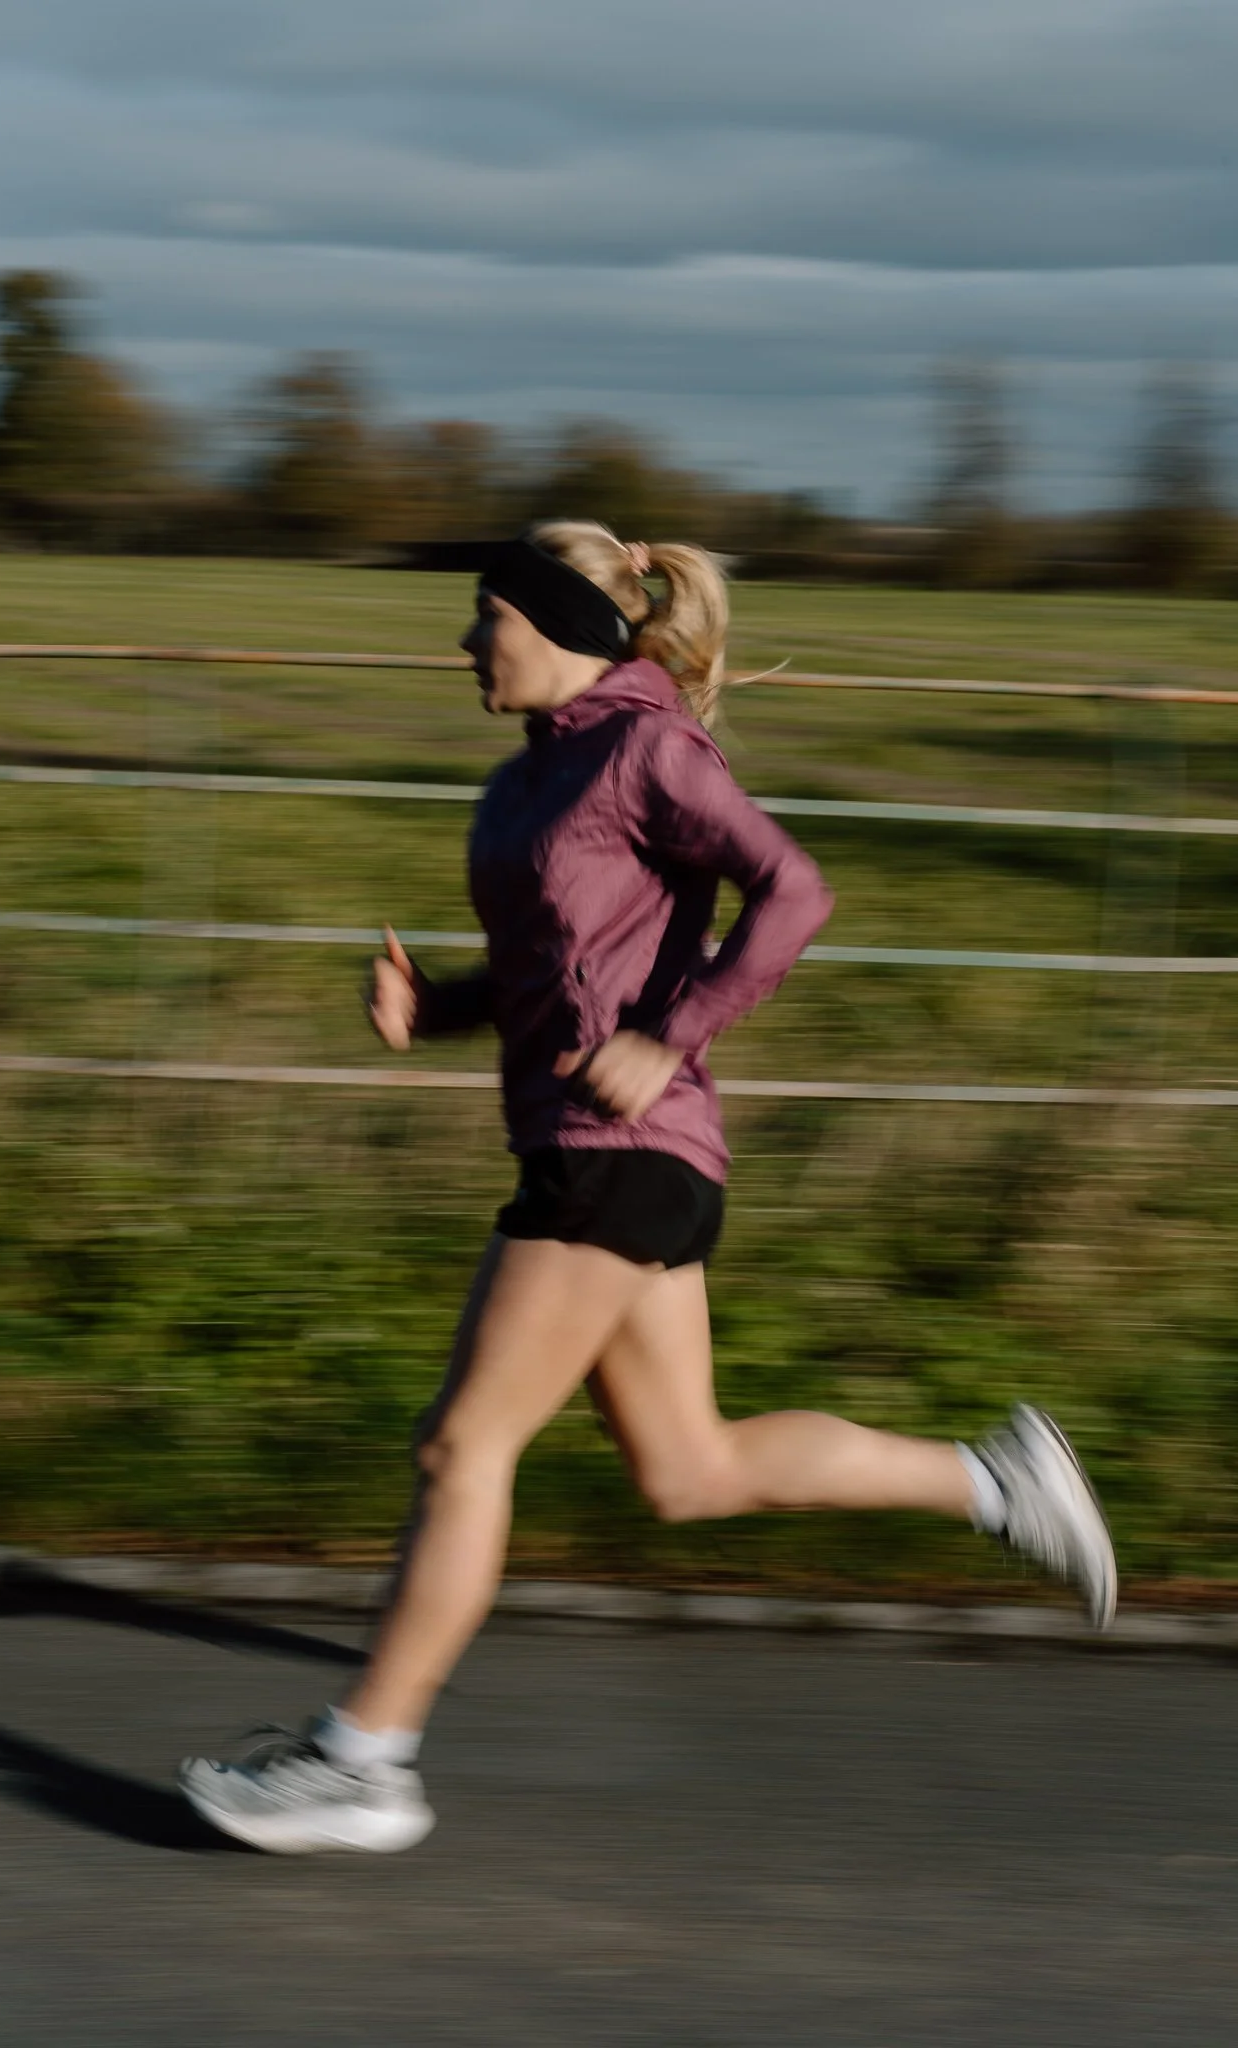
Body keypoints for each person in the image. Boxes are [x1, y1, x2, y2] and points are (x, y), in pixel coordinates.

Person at [180, 522, 1116, 1855]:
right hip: (600, 1152)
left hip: (619, 1153)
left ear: (561, 624)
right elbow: (550, 977)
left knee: (462, 1447)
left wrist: (672, 1034)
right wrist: (436, 1009)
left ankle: (365, 1762)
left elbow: (794, 891)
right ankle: (995, 1482)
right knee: (689, 1470)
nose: (465, 641)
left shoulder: (646, 749)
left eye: (489, 615)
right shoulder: (527, 780)